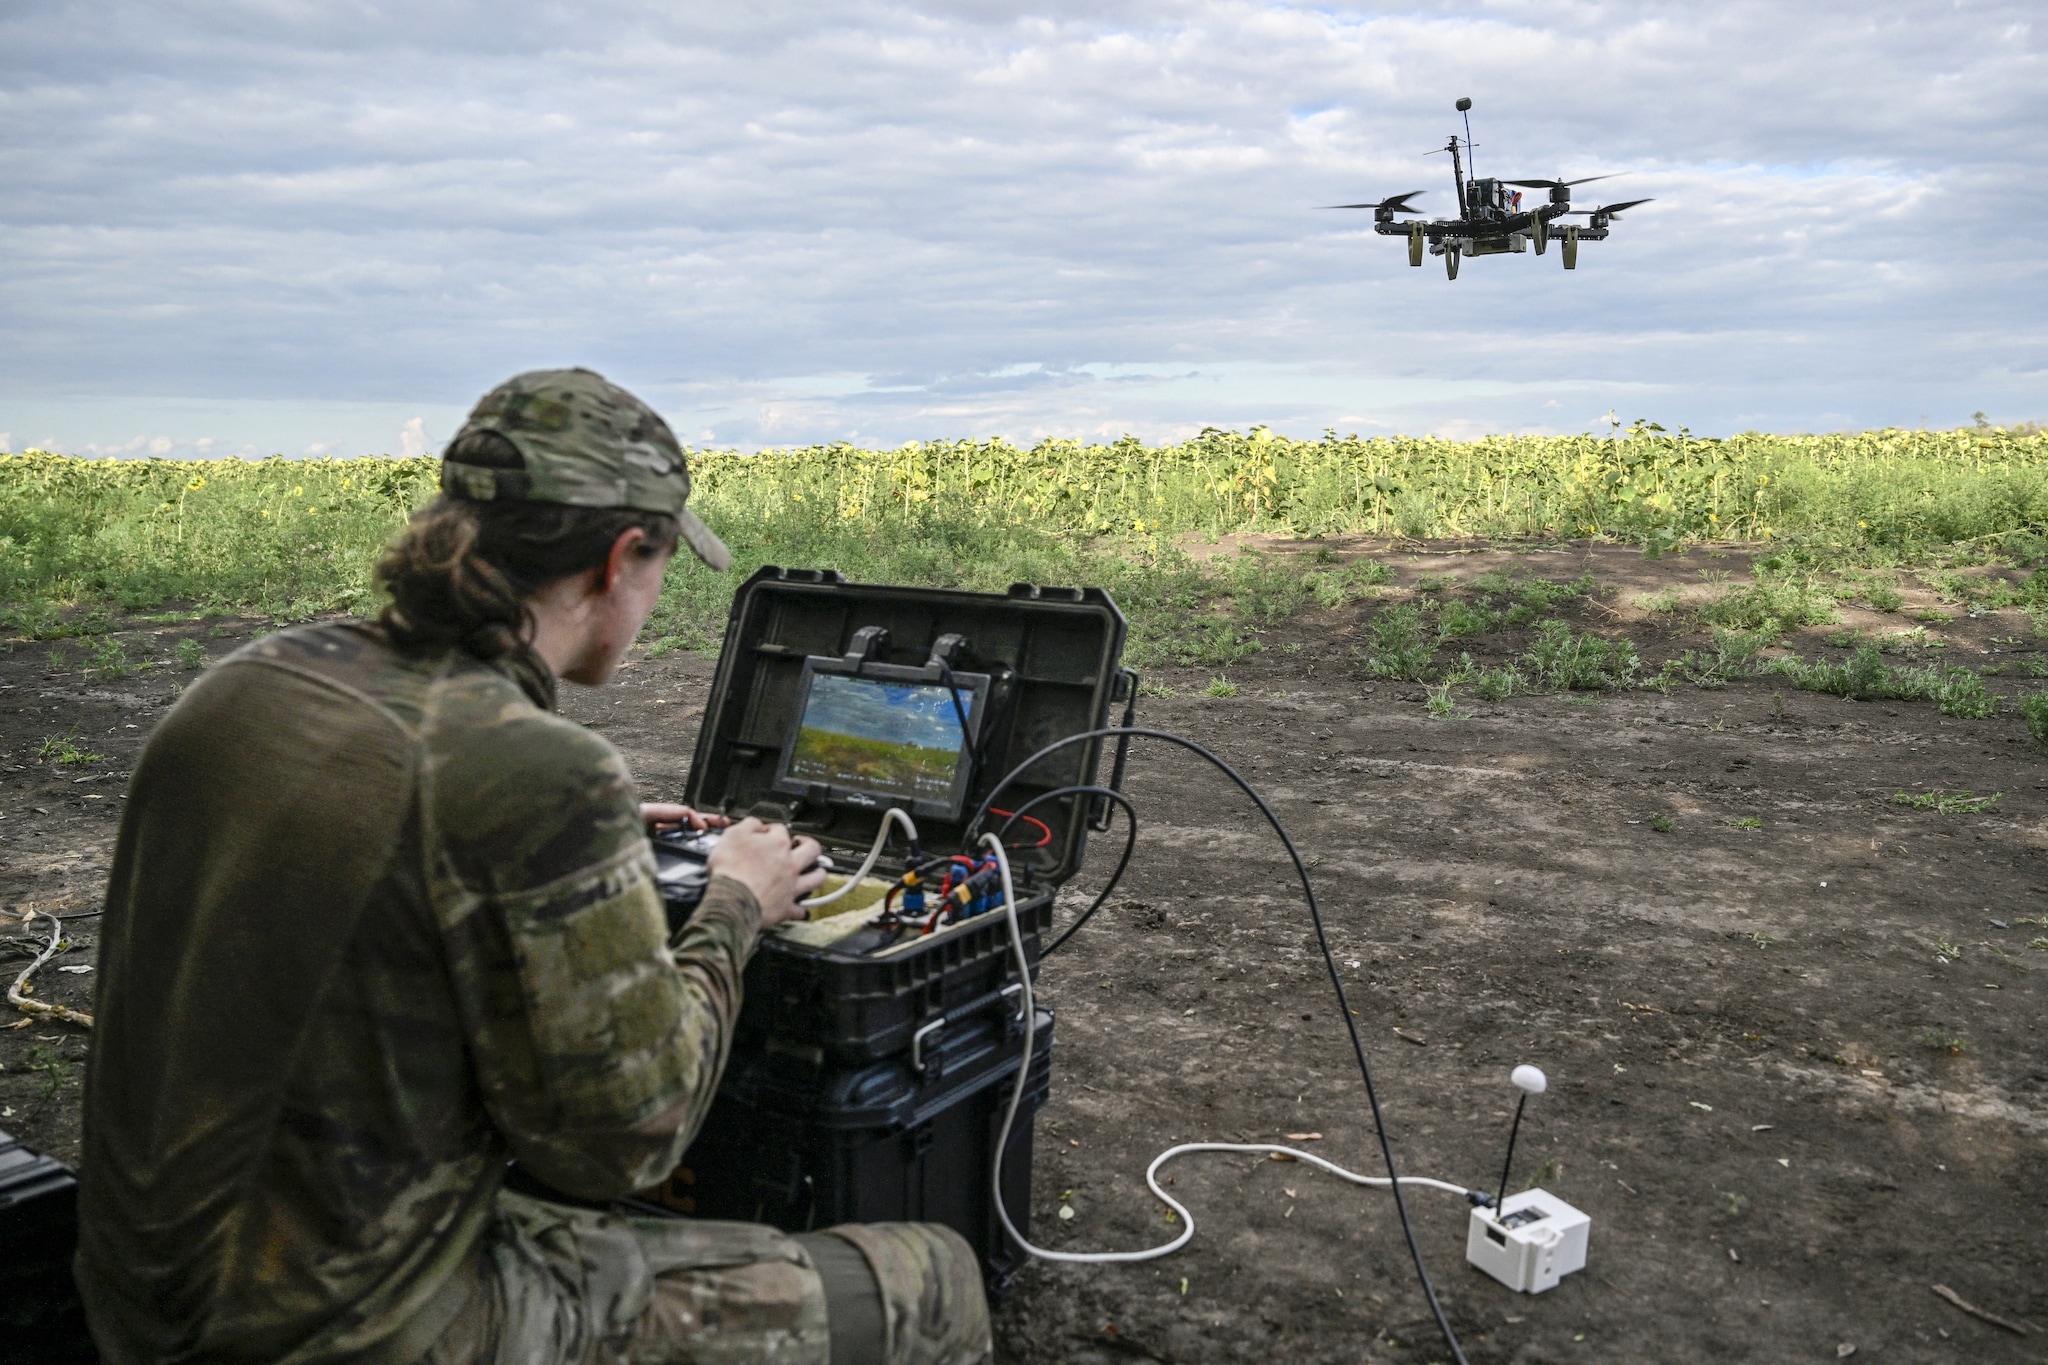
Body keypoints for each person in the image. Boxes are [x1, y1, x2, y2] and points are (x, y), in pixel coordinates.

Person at [76, 369, 993, 1365]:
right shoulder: (535, 775)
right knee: (930, 1280)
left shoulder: (248, 680)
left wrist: (573, 835)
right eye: (659, 568)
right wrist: (736, 899)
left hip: (145, 1286)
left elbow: (374, 833)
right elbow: (626, 1144)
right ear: (615, 563)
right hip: (344, 1329)